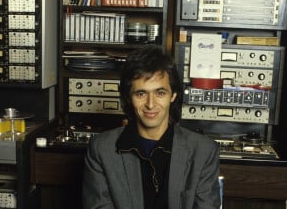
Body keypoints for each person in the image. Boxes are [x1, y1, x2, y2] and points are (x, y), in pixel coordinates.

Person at [82, 46, 220, 209]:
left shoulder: (204, 151)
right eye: (141, 93)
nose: (150, 104)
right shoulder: (101, 149)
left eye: (160, 93)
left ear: (173, 95)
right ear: (128, 97)